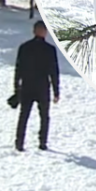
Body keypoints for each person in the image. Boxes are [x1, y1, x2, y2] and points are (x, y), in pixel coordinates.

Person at [14, 21, 61, 151]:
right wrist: (56, 91)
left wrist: (16, 87)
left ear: (34, 31)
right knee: (44, 116)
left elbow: (18, 69)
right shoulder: (49, 50)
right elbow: (53, 71)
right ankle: (42, 142)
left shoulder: (24, 47)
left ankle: (19, 142)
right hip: (42, 87)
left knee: (23, 116)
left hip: (27, 86)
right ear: (45, 32)